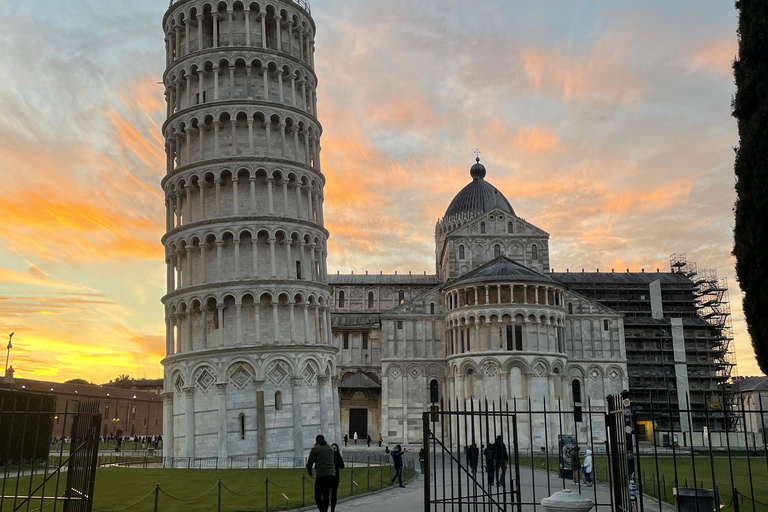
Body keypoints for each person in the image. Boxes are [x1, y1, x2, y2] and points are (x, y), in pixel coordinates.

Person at [306, 435, 336, 512]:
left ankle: (323, 511)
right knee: (326, 495)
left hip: (321, 475)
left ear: (316, 441)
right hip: (331, 474)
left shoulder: (315, 449)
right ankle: (325, 510)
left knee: (317, 496)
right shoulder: (330, 448)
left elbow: (310, 463)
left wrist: (310, 472)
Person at [330, 443, 345, 512]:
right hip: (328, 477)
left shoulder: (337, 456)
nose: (334, 449)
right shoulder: (328, 456)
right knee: (326, 494)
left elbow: (342, 466)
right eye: (332, 448)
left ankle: (332, 509)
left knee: (334, 494)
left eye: (335, 448)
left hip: (335, 478)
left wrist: (337, 455)